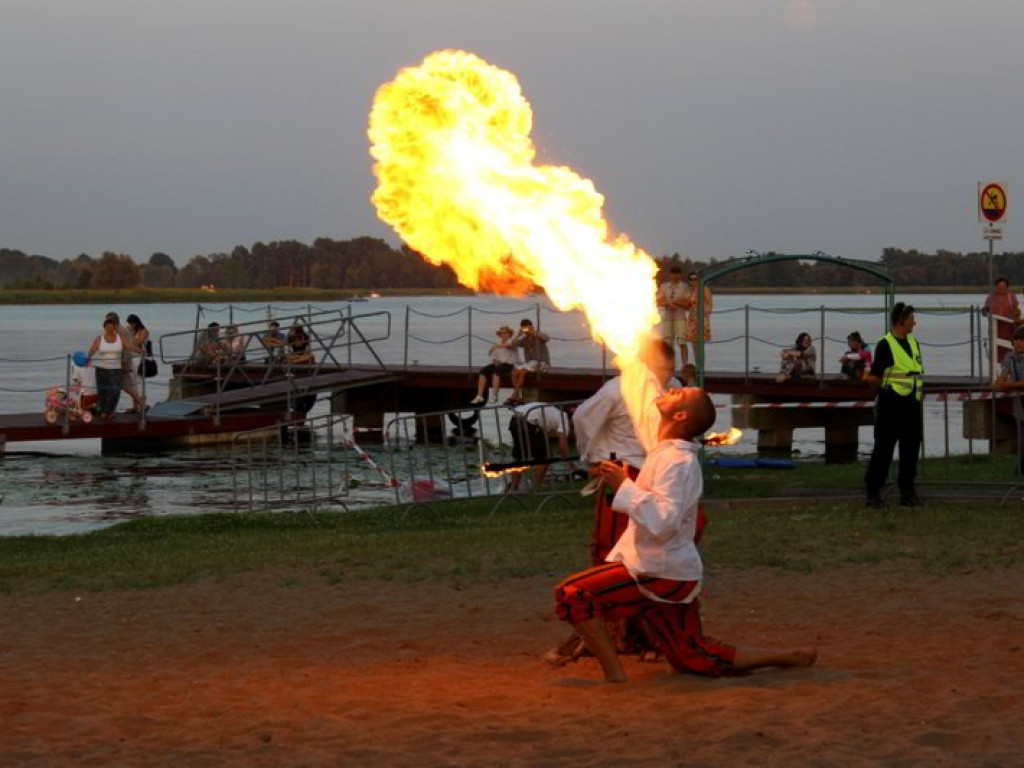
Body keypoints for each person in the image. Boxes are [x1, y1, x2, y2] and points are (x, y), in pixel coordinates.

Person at [554, 387, 817, 683]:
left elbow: (664, 520)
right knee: (693, 657)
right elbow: (654, 494)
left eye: (680, 392)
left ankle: (615, 675)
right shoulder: (665, 451)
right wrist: (618, 474)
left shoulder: (679, 462)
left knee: (573, 595)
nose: (673, 388)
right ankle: (786, 656)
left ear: (679, 415)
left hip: (661, 572)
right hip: (658, 567)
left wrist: (624, 485)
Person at [864, 302, 924, 508]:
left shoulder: (914, 343)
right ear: (901, 320)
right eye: (911, 319)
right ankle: (873, 492)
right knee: (884, 449)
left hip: (912, 404)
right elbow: (875, 377)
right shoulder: (885, 344)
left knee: (911, 450)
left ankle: (907, 491)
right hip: (891, 403)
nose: (914, 323)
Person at [507, 402, 574, 489]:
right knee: (545, 458)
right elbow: (562, 448)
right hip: (528, 422)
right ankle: (536, 487)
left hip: (514, 420)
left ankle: (513, 488)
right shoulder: (564, 418)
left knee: (520, 457)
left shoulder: (553, 412)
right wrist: (574, 468)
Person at [994, 325, 1024, 475]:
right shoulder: (1009, 357)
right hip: (1019, 403)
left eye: (1022, 340)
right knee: (1022, 438)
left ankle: (1020, 469)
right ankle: (1020, 469)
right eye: (1016, 340)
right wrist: (997, 383)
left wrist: (1005, 385)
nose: (1018, 343)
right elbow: (1004, 373)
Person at [106, 311, 144, 413]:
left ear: (113, 321)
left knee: (126, 386)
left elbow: (126, 349)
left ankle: (141, 405)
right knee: (129, 386)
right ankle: (137, 406)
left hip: (122, 364)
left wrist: (123, 364)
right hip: (118, 364)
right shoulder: (116, 331)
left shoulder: (121, 332)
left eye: (107, 320)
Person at [87, 317, 124, 420]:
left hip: (116, 368)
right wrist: (88, 358)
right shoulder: (99, 338)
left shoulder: (120, 338)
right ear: (104, 328)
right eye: (107, 327)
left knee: (115, 390)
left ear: (115, 327)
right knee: (103, 391)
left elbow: (129, 346)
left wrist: (139, 350)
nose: (109, 329)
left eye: (111, 327)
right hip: (101, 368)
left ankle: (111, 411)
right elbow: (92, 349)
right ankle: (104, 412)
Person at [507, 318, 550, 405]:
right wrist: (518, 334)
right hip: (529, 363)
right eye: (524, 328)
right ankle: (517, 394)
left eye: (526, 327)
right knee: (514, 372)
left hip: (541, 362)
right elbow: (512, 344)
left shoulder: (538, 336)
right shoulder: (524, 339)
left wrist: (534, 332)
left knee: (523, 371)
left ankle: (515, 394)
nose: (526, 330)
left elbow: (547, 338)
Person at [471, 325, 518, 404]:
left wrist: (496, 347)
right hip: (498, 364)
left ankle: (494, 395)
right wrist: (495, 360)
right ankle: (479, 396)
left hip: (509, 364)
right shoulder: (497, 343)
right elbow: (493, 357)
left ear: (509, 334)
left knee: (496, 372)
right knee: (482, 371)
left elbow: (508, 345)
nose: (504, 335)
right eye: (502, 333)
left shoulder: (511, 341)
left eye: (505, 333)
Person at [981, 277, 1021, 363]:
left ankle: (1009, 371)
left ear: (1007, 287)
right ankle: (997, 373)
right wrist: (984, 311)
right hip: (995, 329)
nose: (1001, 288)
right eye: (999, 286)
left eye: (1003, 286)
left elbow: (1017, 311)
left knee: (1010, 352)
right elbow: (986, 310)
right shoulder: (990, 297)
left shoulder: (1011, 297)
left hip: (1009, 329)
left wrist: (1014, 316)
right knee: (995, 353)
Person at [657, 264, 690, 367]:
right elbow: (659, 301)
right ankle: (669, 364)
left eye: (677, 274)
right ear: (670, 275)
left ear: (680, 275)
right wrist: (668, 303)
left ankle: (684, 365)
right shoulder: (663, 287)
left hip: (680, 317)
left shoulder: (685, 287)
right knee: (667, 342)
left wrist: (674, 302)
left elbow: (688, 303)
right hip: (667, 318)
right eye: (673, 274)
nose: (675, 276)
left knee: (682, 342)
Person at [125, 314, 152, 412]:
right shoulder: (132, 332)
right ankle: (135, 406)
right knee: (132, 383)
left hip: (139, 359)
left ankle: (143, 405)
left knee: (139, 383)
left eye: (131, 324)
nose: (130, 325)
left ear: (135, 323)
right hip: (131, 358)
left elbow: (138, 342)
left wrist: (129, 334)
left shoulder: (143, 331)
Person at [685, 272, 713, 368]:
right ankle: (697, 366)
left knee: (700, 344)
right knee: (694, 344)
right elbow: (689, 304)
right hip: (692, 319)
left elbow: (709, 303)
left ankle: (701, 367)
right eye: (691, 279)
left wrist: (706, 315)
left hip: (701, 319)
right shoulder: (691, 291)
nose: (694, 281)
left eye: (696, 279)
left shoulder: (704, 289)